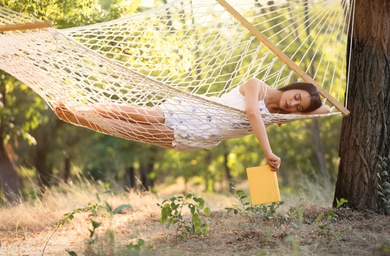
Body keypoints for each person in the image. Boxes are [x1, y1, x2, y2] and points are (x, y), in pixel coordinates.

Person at [54, 78, 330, 171]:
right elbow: (252, 116)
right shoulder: (256, 86)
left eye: (299, 107)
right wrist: (268, 152)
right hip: (195, 113)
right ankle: (80, 109)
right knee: (137, 115)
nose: (294, 105)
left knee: (133, 131)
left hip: (200, 136)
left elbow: (324, 110)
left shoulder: (279, 114)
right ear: (292, 87)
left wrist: (313, 102)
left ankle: (77, 119)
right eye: (296, 97)